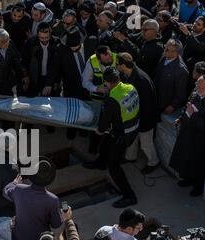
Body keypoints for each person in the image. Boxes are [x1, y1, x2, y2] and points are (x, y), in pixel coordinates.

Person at [84, 68, 140, 207]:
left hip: (123, 135)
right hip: (132, 128)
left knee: (114, 165)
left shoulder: (112, 99)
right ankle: (100, 163)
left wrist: (99, 130)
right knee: (105, 145)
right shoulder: (130, 87)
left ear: (107, 83)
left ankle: (129, 195)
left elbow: (104, 123)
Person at [3, 157, 62, 240]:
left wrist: (14, 183)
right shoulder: (53, 200)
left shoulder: (18, 189)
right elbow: (56, 224)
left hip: (18, 239)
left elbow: (6, 191)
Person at [116, 53, 160, 174]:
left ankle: (154, 162)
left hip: (145, 118)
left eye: (117, 64)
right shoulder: (128, 74)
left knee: (146, 143)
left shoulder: (141, 79)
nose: (116, 66)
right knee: (132, 139)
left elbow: (147, 104)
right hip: (135, 117)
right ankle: (130, 157)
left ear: (124, 65)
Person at [170, 76, 205, 197]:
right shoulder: (195, 94)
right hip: (187, 133)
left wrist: (195, 115)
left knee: (198, 163)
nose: (196, 86)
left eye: (199, 84)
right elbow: (187, 108)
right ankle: (188, 179)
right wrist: (181, 118)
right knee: (186, 158)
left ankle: (198, 187)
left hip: (200, 138)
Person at [0, 28, 29, 95]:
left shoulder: (10, 44)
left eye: (8, 41)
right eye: (4, 43)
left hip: (7, 85)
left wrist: (24, 75)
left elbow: (17, 61)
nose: (8, 44)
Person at [56, 25, 91, 101]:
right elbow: (56, 69)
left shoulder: (92, 44)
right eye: (70, 46)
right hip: (72, 92)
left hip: (91, 90)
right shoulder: (61, 50)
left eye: (75, 45)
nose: (73, 48)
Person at [154, 39, 189, 115]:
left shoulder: (181, 70)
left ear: (175, 53)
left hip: (165, 105)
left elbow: (181, 93)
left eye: (167, 49)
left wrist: (173, 106)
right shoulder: (164, 58)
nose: (164, 50)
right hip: (157, 99)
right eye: (165, 47)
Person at [22, 22, 56, 97]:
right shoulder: (30, 43)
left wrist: (50, 83)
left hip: (49, 77)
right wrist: (25, 76)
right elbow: (24, 61)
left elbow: (56, 66)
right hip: (34, 78)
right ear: (37, 35)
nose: (44, 40)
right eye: (41, 38)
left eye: (46, 37)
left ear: (50, 35)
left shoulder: (55, 44)